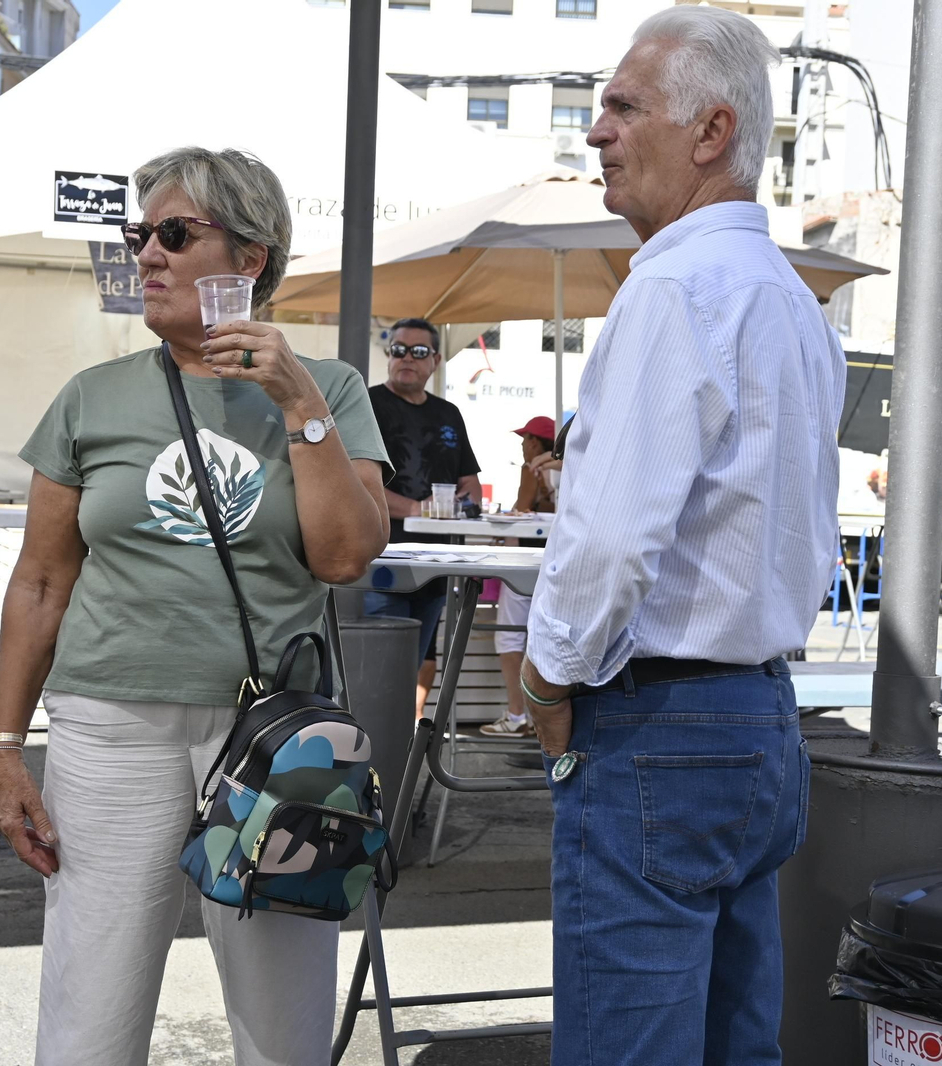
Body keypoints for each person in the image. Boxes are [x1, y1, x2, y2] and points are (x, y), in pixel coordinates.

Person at [0, 146, 390, 1066]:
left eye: (173, 233)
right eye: (141, 235)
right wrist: (5, 750)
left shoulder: (327, 388)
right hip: (109, 727)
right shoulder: (93, 399)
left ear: (249, 259)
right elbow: (41, 582)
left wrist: (297, 402)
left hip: (272, 742)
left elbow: (343, 555)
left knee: (283, 1026)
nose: (147, 256)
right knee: (91, 1014)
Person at [519, 8, 845, 1065]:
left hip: (660, 719)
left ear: (710, 133)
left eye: (621, 106)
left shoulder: (672, 285)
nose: (597, 132)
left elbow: (611, 542)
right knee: (732, 1043)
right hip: (758, 716)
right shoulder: (794, 304)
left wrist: (544, 680)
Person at [365, 317, 482, 715]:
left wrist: (464, 505)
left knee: (413, 662)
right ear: (388, 355)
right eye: (398, 350)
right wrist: (416, 509)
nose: (406, 359)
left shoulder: (448, 414)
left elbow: (470, 482)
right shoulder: (367, 404)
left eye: (418, 352)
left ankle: (399, 745)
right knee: (377, 670)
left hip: (438, 562)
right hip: (382, 559)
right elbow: (355, 483)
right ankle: (374, 751)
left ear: (435, 359)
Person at [482, 415, 558, 739]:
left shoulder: (533, 470)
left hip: (526, 564)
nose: (522, 445)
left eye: (525, 439)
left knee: (510, 638)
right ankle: (546, 719)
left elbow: (520, 510)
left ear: (535, 442)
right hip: (558, 564)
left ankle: (516, 715)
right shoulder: (574, 467)